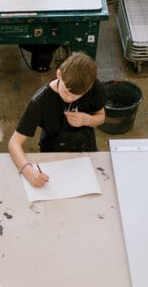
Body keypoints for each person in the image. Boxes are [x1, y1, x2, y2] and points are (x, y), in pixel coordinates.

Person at [8, 52, 106, 187]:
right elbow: (14, 143)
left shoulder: (93, 86)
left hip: (86, 150)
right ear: (59, 74)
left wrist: (86, 120)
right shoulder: (40, 102)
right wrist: (28, 172)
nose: (69, 99)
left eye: (76, 96)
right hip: (53, 154)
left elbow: (101, 117)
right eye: (66, 92)